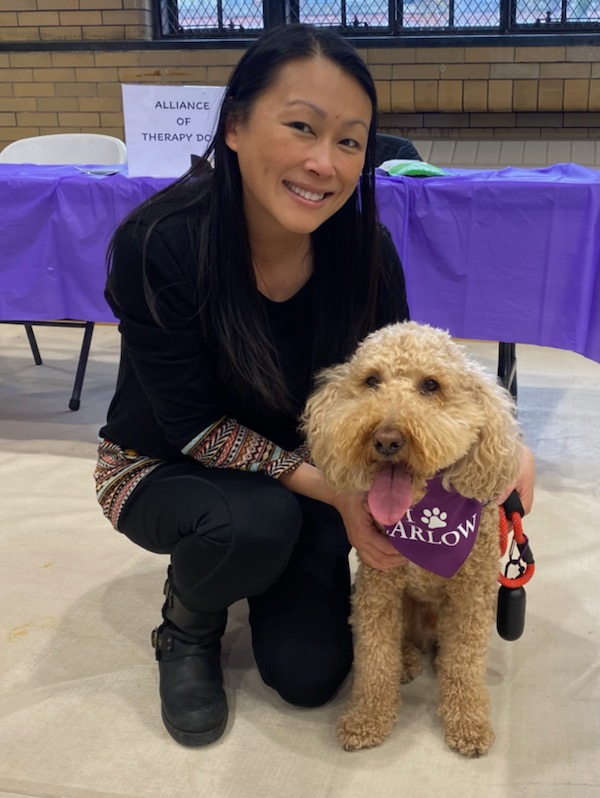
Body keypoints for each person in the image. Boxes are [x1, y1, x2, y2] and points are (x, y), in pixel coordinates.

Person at [94, 23, 535, 748]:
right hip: (170, 463)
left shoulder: (367, 252)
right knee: (253, 524)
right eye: (301, 126)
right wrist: (337, 492)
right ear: (235, 125)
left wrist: (500, 453)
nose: (323, 162)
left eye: (350, 141)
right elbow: (191, 426)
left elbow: (397, 394)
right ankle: (188, 625)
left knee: (308, 675)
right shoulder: (161, 242)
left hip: (325, 468)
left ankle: (270, 577)